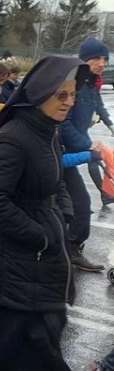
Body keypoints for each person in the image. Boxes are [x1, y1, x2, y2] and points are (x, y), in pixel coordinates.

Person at [0, 54, 86, 371]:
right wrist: (38, 235)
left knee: (43, 314)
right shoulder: (15, 137)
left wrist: (65, 211)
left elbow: (55, 180)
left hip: (44, 236)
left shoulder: (47, 131)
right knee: (14, 318)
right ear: (40, 92)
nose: (69, 102)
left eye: (72, 95)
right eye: (61, 95)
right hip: (20, 244)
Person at [60, 38, 112, 270]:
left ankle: (68, 248)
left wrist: (110, 124)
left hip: (73, 150)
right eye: (96, 58)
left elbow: (99, 106)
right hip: (57, 153)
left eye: (105, 59)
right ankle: (67, 250)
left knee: (73, 205)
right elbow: (64, 124)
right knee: (79, 203)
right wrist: (87, 146)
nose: (101, 63)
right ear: (84, 59)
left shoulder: (92, 85)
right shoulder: (73, 85)